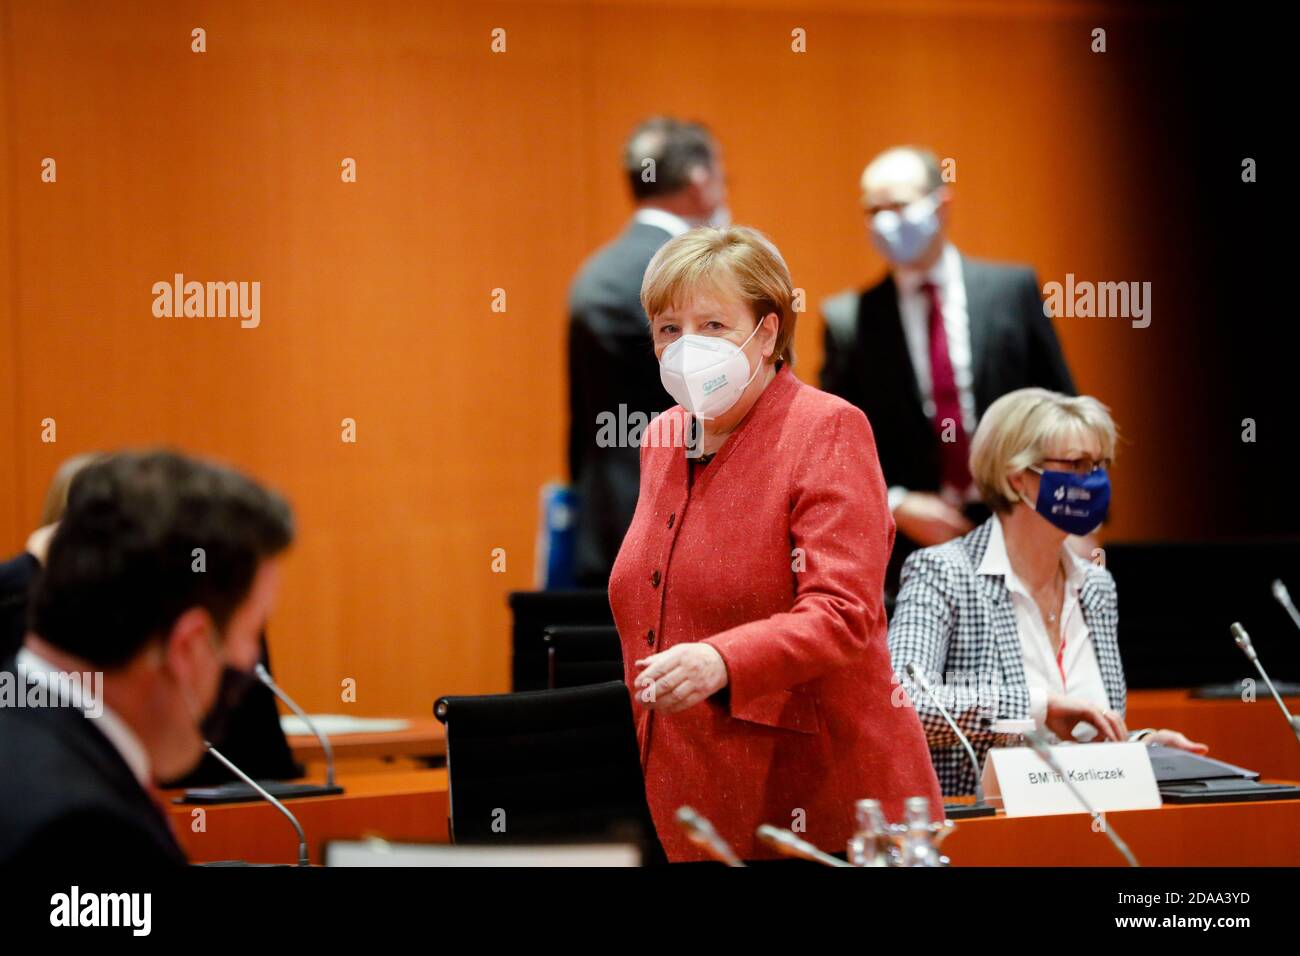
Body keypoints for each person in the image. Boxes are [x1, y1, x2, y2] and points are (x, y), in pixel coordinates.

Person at [608, 226, 942, 862]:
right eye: (669, 328)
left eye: (713, 325)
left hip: (823, 805)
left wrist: (722, 659)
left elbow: (843, 613)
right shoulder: (661, 438)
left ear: (767, 332)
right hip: (689, 799)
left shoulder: (828, 428)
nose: (687, 346)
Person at [888, 389, 1207, 797]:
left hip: (1091, 820)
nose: (1094, 480)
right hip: (986, 827)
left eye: (1099, 465)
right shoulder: (944, 574)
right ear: (1016, 477)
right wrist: (1037, 707)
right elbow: (902, 701)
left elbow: (1080, 738)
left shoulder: (1096, 587)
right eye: (1076, 464)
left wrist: (1141, 746)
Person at [0, 450, 294, 865]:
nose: (250, 660)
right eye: (249, 633)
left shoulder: (27, 732)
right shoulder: (84, 830)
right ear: (189, 646)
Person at [820, 146, 1076, 595]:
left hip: (1021, 521)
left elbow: (1064, 411)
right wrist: (895, 503)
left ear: (942, 205)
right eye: (873, 210)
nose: (885, 221)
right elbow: (836, 447)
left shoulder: (1012, 291)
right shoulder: (849, 320)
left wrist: (1078, 514)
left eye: (899, 205)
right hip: (914, 544)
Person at [568, 117, 728, 587]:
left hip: (606, 523)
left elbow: (586, 419)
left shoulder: (597, 271)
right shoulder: (690, 272)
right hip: (682, 526)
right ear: (700, 181)